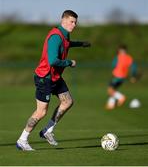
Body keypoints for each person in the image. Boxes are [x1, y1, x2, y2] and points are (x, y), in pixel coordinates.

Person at [16, 10, 91, 151]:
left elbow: (67, 43)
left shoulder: (64, 34)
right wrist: (69, 62)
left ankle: (47, 131)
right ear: (63, 20)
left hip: (55, 77)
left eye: (75, 22)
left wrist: (81, 44)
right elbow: (52, 61)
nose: (74, 25)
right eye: (71, 21)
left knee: (68, 101)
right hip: (45, 78)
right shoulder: (56, 36)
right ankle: (22, 140)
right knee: (41, 112)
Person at [106, 44, 137, 110]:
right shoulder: (129, 58)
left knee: (110, 90)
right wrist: (133, 76)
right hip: (123, 77)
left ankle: (121, 97)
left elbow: (113, 65)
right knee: (114, 90)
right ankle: (111, 105)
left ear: (120, 50)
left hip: (116, 76)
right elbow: (133, 67)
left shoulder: (117, 57)